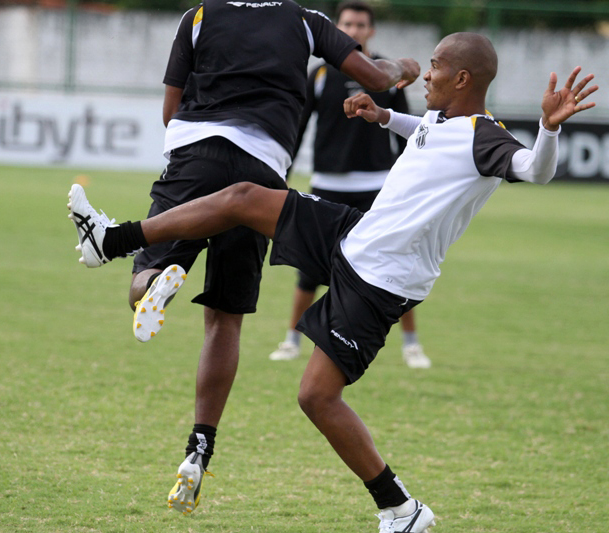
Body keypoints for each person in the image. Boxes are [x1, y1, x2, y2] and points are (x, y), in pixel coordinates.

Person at [67, 32, 597, 532]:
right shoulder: (440, 118)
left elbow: (535, 169)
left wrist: (549, 128)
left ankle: (400, 507)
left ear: (462, 78)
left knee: (316, 397)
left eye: (435, 65)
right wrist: (384, 116)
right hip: (353, 235)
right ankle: (113, 240)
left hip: (379, 281)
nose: (427, 73)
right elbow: (429, 135)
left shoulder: (487, 137)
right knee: (243, 197)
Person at [68, 0, 420, 518]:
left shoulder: (198, 17)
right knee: (224, 319)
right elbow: (375, 76)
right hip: (261, 172)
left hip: (195, 153)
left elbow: (169, 112)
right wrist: (405, 66)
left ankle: (159, 279)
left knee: (143, 276)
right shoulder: (305, 20)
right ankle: (199, 447)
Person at [269, 1, 430, 368]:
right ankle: (291, 340)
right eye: (347, 24)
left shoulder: (388, 75)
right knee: (309, 270)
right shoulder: (320, 74)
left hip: (377, 185)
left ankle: (412, 345)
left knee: (393, 265)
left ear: (371, 30)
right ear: (338, 29)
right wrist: (282, 176)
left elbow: (407, 129)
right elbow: (298, 128)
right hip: (327, 183)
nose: (353, 30)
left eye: (360, 24)